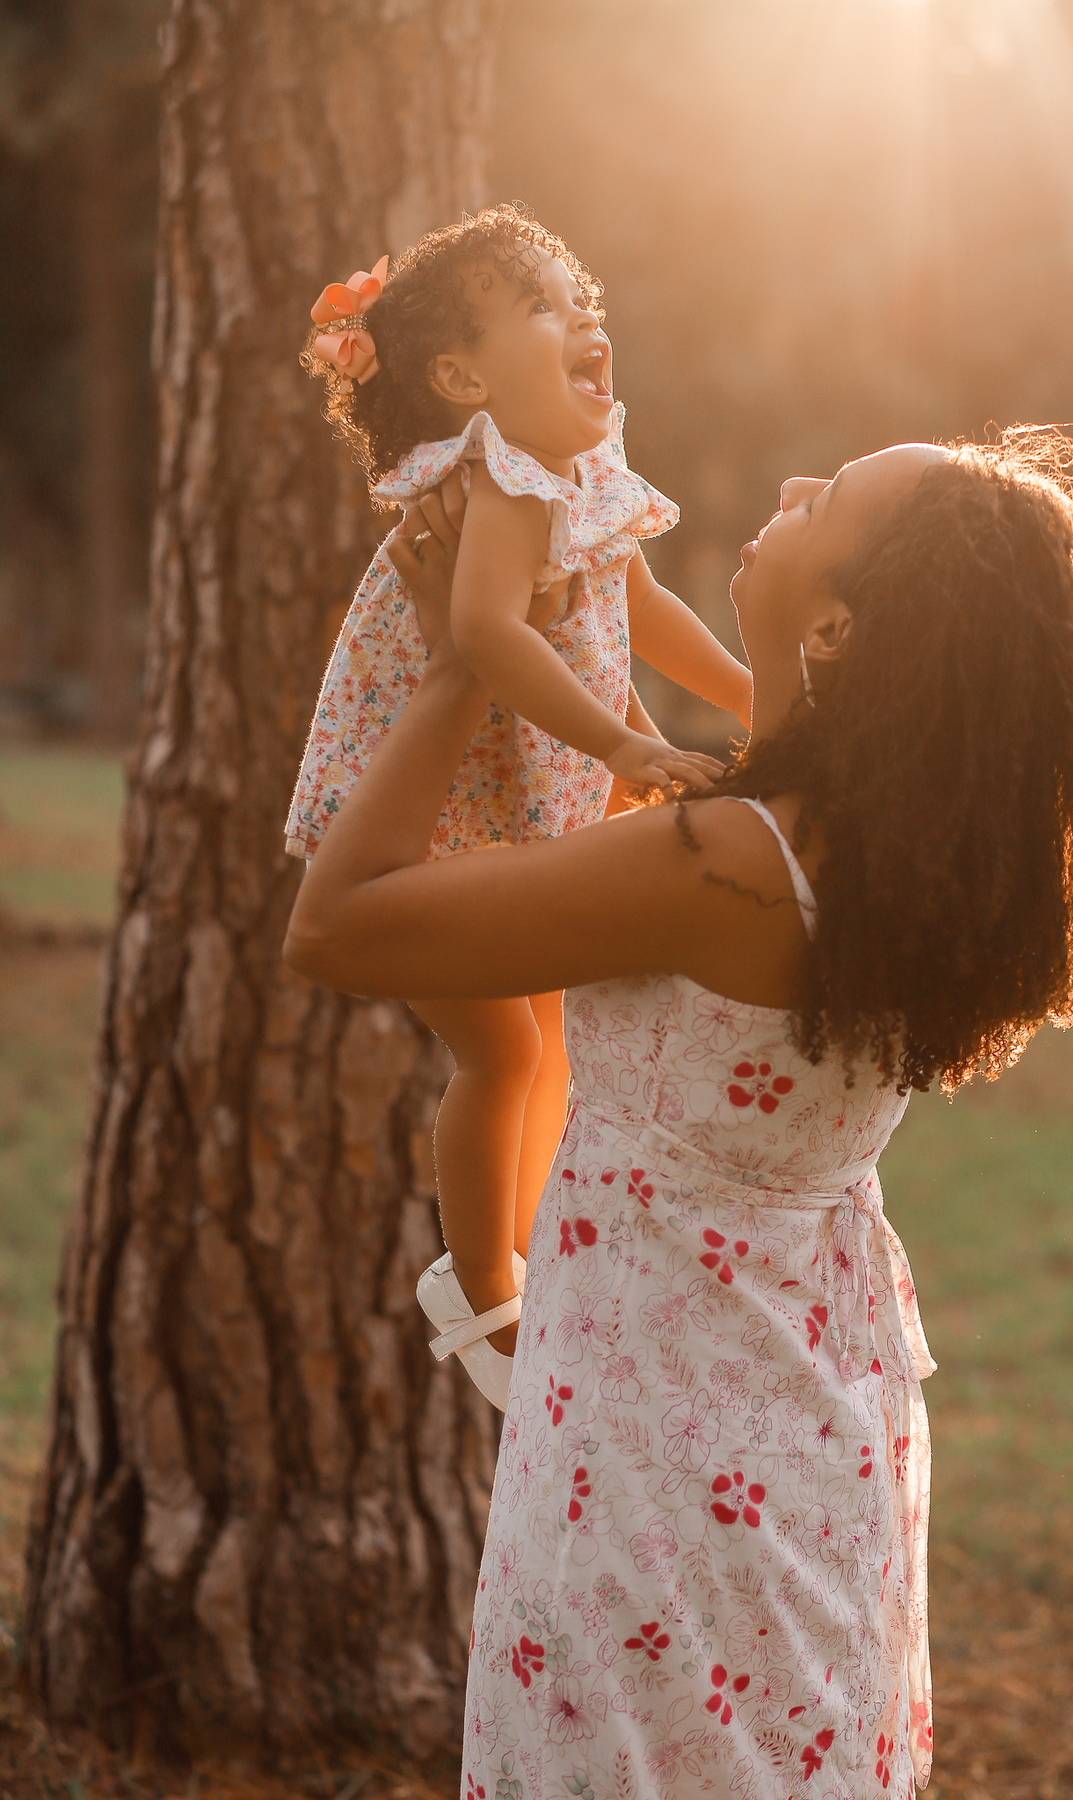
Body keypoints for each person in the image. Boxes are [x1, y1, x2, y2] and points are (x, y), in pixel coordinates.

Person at [284, 426, 1073, 1798]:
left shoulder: (718, 870)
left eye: (827, 503)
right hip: (803, 1425)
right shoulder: (905, 857)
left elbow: (339, 929)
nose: (787, 489)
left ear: (841, 617)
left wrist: (466, 657)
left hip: (653, 1458)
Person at [288, 205, 749, 1403]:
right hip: (437, 821)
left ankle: (534, 1258)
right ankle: (481, 1286)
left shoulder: (582, 471)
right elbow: (487, 632)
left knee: (545, 1035)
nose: (584, 317)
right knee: (497, 1047)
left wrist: (748, 696)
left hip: (523, 806)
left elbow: (641, 605)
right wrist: (621, 744)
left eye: (580, 294)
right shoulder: (494, 479)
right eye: (543, 306)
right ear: (461, 377)